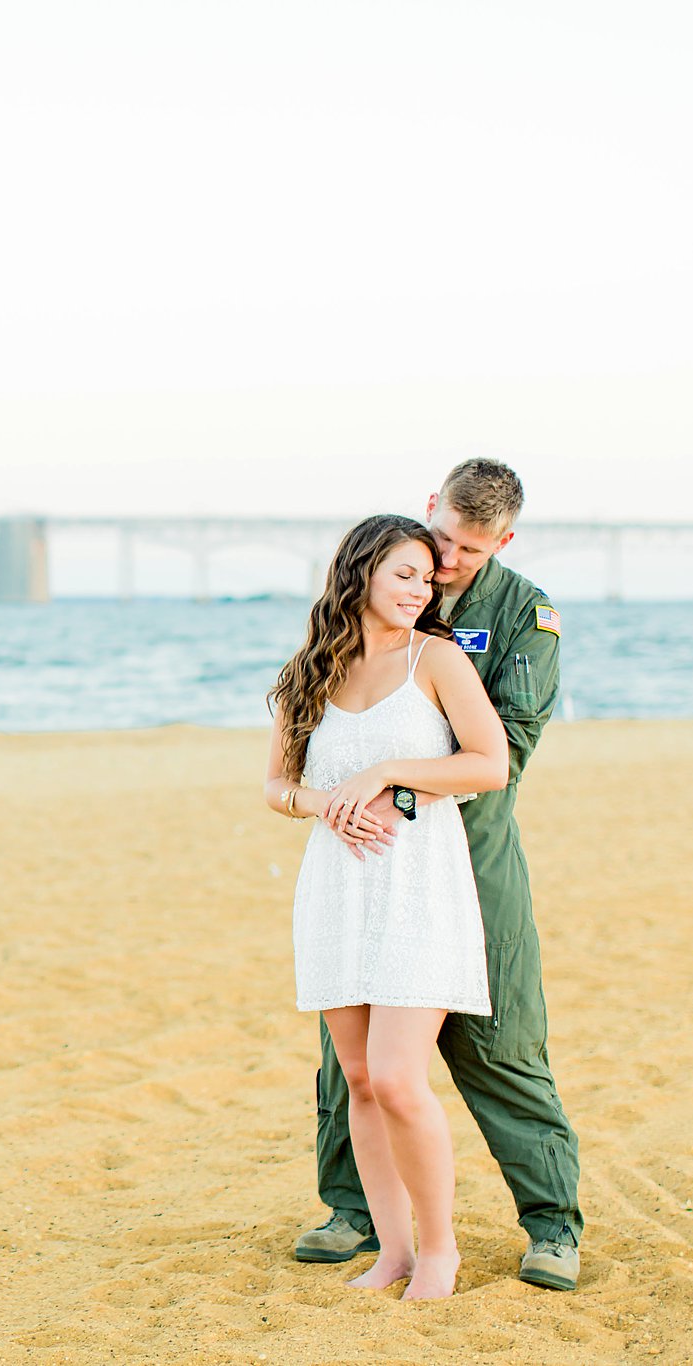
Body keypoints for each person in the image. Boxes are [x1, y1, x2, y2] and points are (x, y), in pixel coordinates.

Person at [290, 459, 583, 1294]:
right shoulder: (381, 591)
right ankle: (356, 1213)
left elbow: (508, 750)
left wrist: (387, 781)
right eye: (441, 539)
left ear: (503, 541)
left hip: (472, 849)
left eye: (466, 549)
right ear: (429, 510)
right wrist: (334, 800)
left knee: (502, 1042)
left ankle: (551, 1224)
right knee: (353, 1059)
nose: (445, 563)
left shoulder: (524, 611)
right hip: (362, 858)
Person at [264, 513, 508, 1299]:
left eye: (427, 577)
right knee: (362, 1080)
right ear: (360, 572)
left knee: (401, 1079)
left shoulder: (435, 660)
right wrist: (321, 801)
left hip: (419, 887)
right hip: (336, 888)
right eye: (404, 573)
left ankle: (441, 1252)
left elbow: (490, 765)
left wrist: (388, 771)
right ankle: (394, 1252)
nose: (421, 588)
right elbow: (276, 786)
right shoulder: (312, 669)